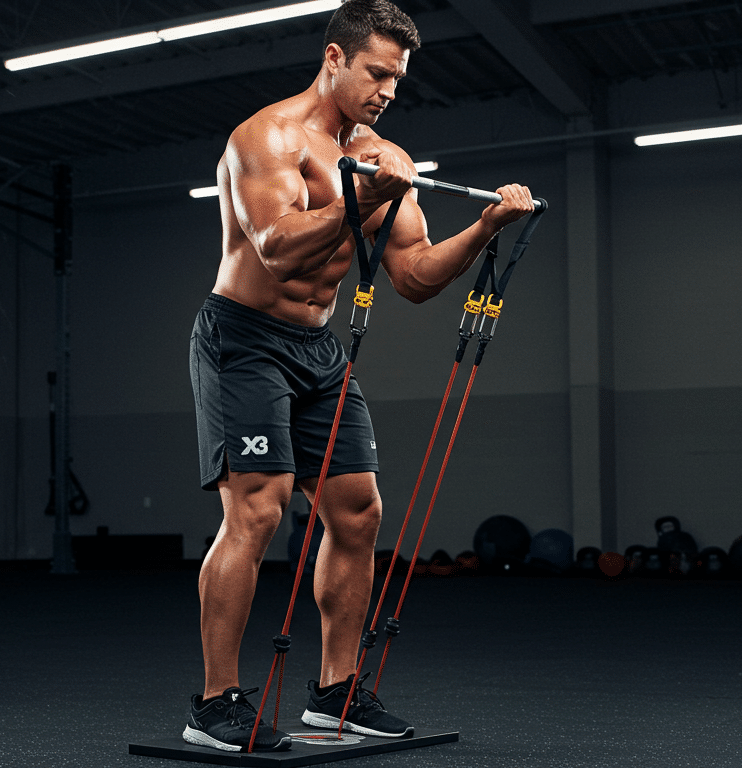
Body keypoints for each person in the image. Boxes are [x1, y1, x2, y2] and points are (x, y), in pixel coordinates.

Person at [184, 0, 534, 753]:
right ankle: (215, 703)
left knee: (357, 511)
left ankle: (335, 691)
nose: (386, 90)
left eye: (398, 80)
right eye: (376, 72)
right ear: (335, 58)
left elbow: (411, 276)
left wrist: (484, 228)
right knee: (259, 510)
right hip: (243, 339)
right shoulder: (265, 137)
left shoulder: (381, 153)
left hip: (317, 348)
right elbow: (277, 249)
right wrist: (364, 196)